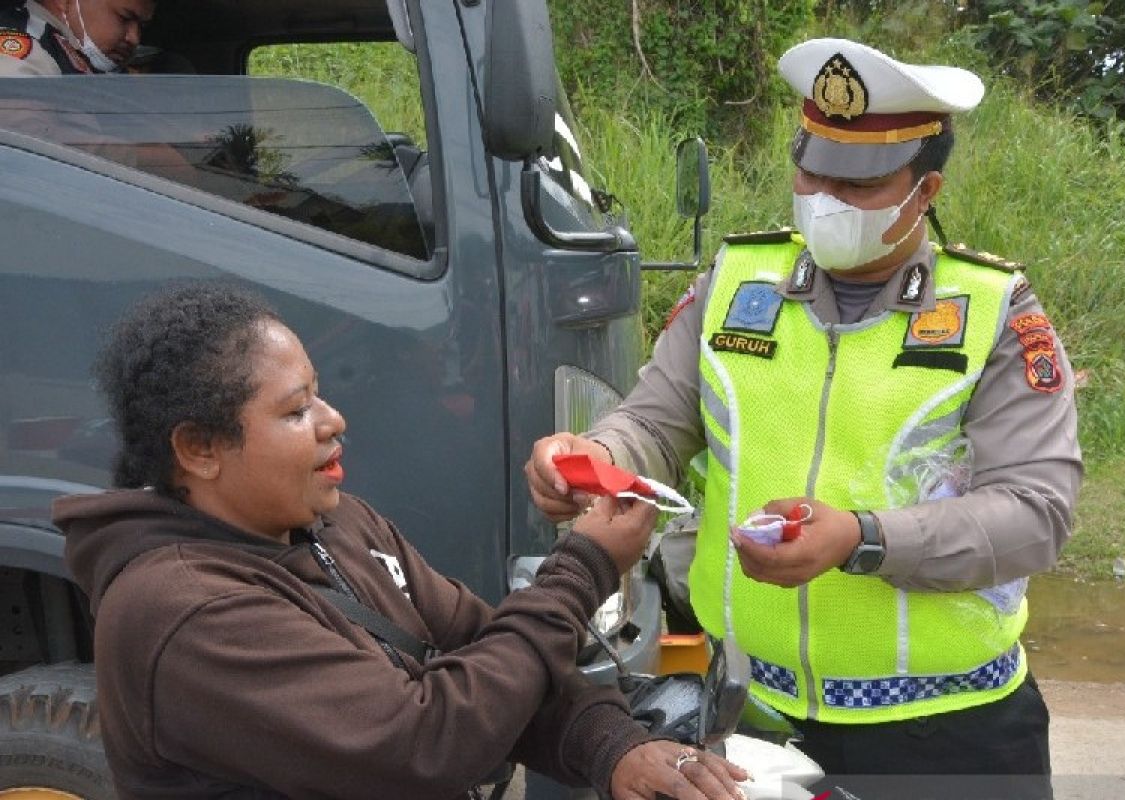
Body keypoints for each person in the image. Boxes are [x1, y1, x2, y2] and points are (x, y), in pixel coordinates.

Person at [527, 37, 1082, 799]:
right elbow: (653, 426)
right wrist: (587, 456)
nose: (826, 197)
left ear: (924, 191)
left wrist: (862, 537)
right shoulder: (734, 283)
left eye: (860, 183)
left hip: (952, 732)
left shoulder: (992, 315)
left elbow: (1036, 513)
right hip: (756, 719)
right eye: (813, 170)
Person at [53, 284, 748, 800]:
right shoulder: (182, 612)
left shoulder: (338, 521)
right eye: (295, 411)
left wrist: (616, 750)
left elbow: (498, 658)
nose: (333, 421)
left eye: (319, 394)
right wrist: (586, 566)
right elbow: (425, 742)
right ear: (199, 449)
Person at [0, 0, 153, 76]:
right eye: (124, 18)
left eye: (142, 27)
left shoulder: (71, 53)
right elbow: (23, 123)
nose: (134, 37)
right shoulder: (27, 48)